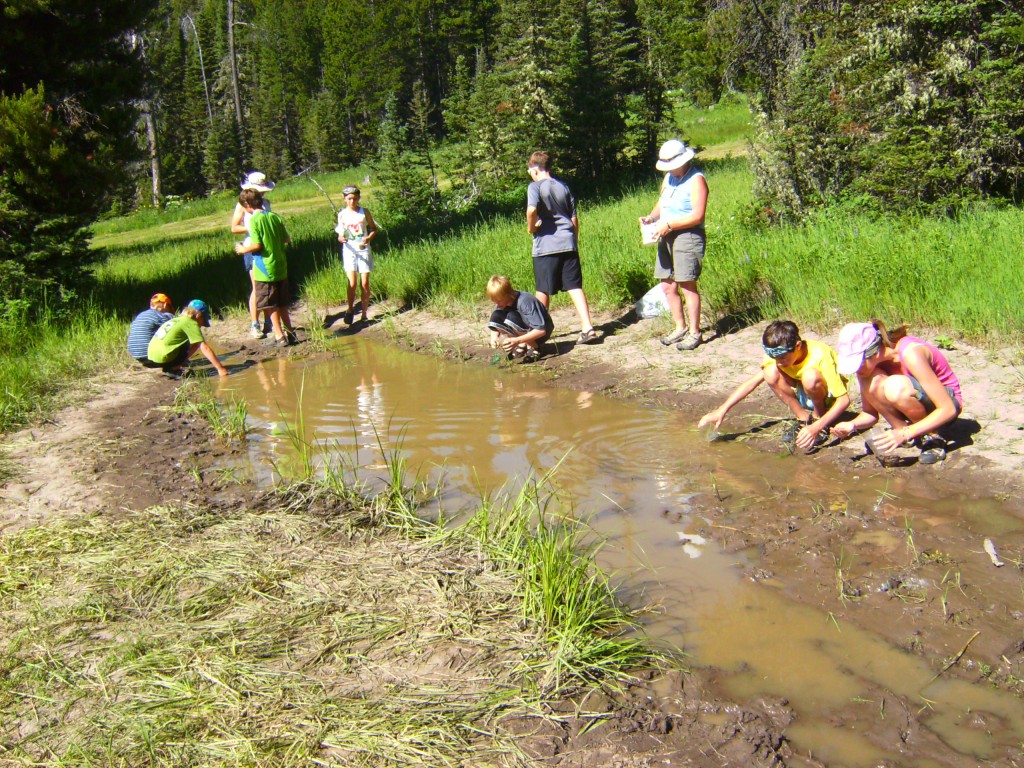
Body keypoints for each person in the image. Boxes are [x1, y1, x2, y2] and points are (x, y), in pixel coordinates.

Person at [698, 321, 850, 450]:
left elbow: (844, 400)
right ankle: (803, 419)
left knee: (810, 376)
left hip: (827, 397)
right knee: (769, 372)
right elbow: (753, 382)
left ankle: (819, 421)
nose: (779, 362)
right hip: (803, 392)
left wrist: (815, 428)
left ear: (797, 346)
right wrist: (722, 410)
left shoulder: (820, 354)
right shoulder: (778, 354)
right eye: (774, 357)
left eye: (782, 357)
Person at [831, 320, 963, 462]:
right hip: (917, 405)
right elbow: (870, 414)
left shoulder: (911, 354)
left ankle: (932, 437)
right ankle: (904, 433)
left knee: (895, 385)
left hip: (946, 405)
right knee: (875, 381)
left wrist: (907, 433)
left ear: (873, 352)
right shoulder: (867, 371)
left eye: (858, 364)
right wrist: (852, 425)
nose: (856, 370)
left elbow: (948, 409)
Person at [641, 139, 708, 351]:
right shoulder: (668, 178)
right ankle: (680, 326)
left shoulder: (697, 180)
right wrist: (651, 218)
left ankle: (695, 332)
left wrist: (670, 224)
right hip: (665, 234)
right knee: (667, 285)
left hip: (687, 235)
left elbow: (697, 215)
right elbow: (662, 203)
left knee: (687, 283)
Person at [526, 151, 598, 344]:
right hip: (568, 242)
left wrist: (531, 227)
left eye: (529, 170)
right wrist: (573, 240)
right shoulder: (564, 187)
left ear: (535, 168)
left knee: (543, 289)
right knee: (574, 286)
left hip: (546, 246)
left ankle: (538, 332)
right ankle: (588, 327)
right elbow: (574, 218)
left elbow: (532, 210)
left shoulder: (535, 187)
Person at [235, 188, 295, 347]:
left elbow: (256, 245)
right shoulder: (274, 217)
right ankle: (290, 332)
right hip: (280, 265)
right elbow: (286, 239)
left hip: (264, 268)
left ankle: (279, 336)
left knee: (270, 304)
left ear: (247, 204)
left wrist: (243, 249)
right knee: (282, 303)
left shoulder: (254, 220)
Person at [231, 171, 275, 339]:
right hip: (251, 247)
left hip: (267, 248)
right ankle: (255, 323)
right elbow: (234, 227)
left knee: (269, 286)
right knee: (257, 286)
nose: (262, 193)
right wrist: (253, 228)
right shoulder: (242, 205)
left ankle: (269, 321)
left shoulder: (267, 203)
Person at [147, 299, 229, 376]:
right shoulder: (191, 323)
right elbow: (205, 348)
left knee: (193, 342)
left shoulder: (177, 320)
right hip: (164, 356)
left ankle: (172, 366)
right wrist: (220, 368)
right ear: (199, 316)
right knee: (191, 342)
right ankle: (174, 369)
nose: (200, 326)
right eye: (202, 322)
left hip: (152, 356)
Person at [486, 275, 554, 363]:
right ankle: (522, 345)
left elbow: (541, 330)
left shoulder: (525, 301)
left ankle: (534, 347)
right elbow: (497, 321)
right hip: (523, 330)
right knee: (496, 315)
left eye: (499, 301)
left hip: (541, 332)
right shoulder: (501, 303)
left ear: (508, 294)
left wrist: (517, 340)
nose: (497, 304)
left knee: (512, 317)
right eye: (494, 301)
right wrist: (494, 337)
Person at [335, 185, 377, 325]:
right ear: (344, 199)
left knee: (364, 283)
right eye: (349, 199)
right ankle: (350, 309)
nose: (352, 202)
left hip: (363, 249)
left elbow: (373, 229)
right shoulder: (342, 214)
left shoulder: (364, 212)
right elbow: (340, 233)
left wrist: (368, 238)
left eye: (354, 198)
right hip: (349, 250)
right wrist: (341, 238)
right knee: (352, 282)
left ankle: (364, 314)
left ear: (358, 198)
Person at [127, 293, 174, 367]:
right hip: (149, 355)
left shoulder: (141, 315)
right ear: (165, 305)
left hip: (137, 355)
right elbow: (174, 326)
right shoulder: (161, 316)